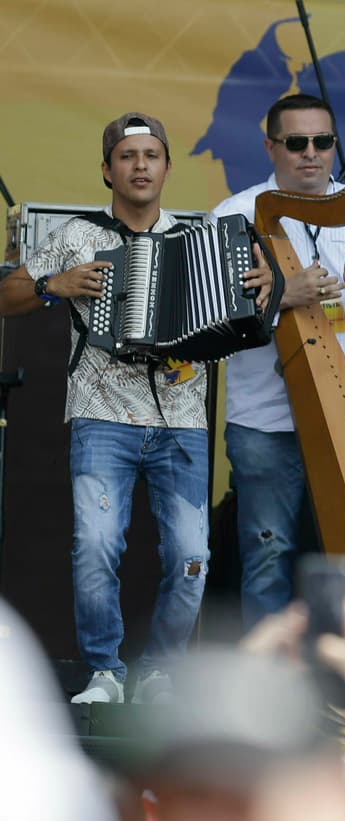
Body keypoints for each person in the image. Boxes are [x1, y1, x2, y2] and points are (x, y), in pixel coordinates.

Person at [0, 112, 274, 704]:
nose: (141, 166)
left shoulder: (201, 239)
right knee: (97, 543)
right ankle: (105, 671)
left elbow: (247, 314)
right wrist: (55, 285)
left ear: (167, 167)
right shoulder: (77, 235)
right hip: (102, 414)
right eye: (128, 156)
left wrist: (264, 288)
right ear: (107, 170)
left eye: (151, 155)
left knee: (191, 555)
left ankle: (159, 672)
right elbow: (7, 295)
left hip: (180, 421)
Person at [209, 93, 345, 629]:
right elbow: (215, 322)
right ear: (271, 146)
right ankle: (268, 702)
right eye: (296, 143)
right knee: (268, 562)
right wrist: (281, 298)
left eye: (323, 142)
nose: (311, 154)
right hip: (264, 423)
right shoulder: (234, 215)